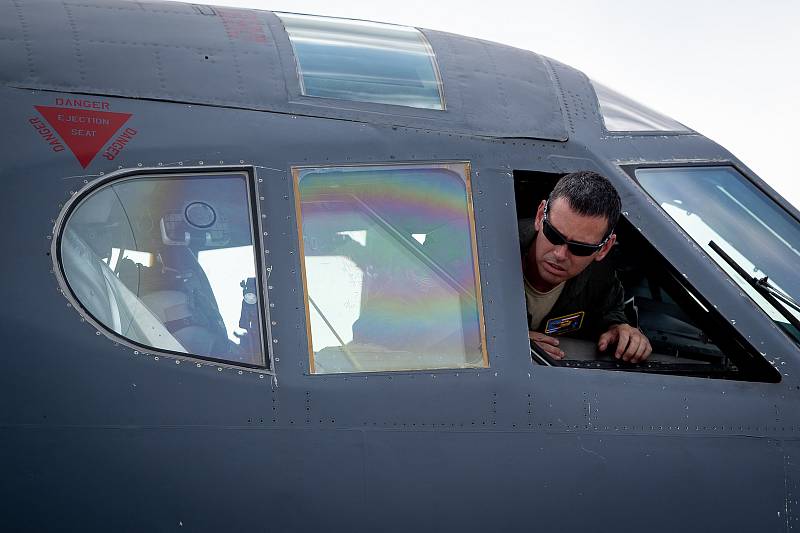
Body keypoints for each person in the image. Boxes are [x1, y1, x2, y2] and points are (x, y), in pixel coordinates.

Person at [523, 171, 652, 363]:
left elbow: (611, 308)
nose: (560, 254)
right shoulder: (479, 250)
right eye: (553, 234)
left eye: (580, 248)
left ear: (604, 248)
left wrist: (619, 328)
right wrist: (507, 339)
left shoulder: (600, 275)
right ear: (540, 215)